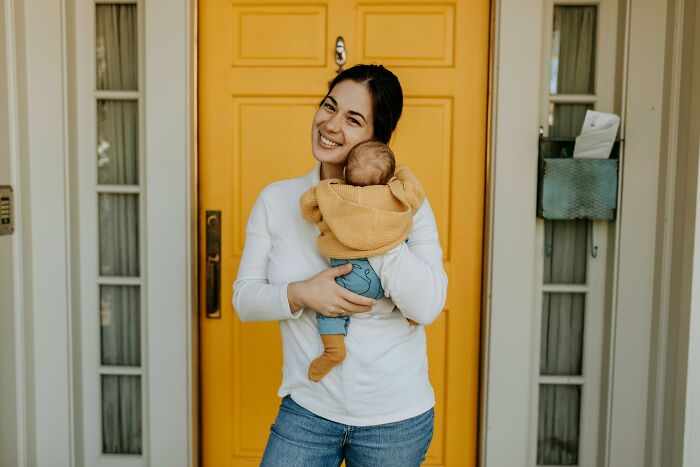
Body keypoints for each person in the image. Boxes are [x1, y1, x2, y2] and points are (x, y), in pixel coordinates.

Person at [233, 64, 448, 467]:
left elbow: (428, 306)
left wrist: (374, 220)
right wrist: (301, 293)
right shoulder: (278, 200)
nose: (330, 124)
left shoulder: (407, 203)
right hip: (307, 411)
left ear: (377, 139)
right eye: (328, 106)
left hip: (396, 421)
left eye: (353, 119)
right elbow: (244, 300)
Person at [299, 140, 425, 382]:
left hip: (349, 277)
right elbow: (416, 193)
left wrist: (325, 187)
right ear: (388, 179)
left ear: (346, 172)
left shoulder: (335, 192)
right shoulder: (395, 192)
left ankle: (334, 350)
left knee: (330, 310)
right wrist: (402, 172)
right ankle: (410, 310)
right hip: (387, 279)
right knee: (402, 246)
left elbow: (308, 209)